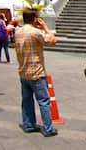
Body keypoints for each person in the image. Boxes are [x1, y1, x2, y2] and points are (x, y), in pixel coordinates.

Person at [14, 8, 57, 137]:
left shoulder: (18, 32)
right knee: (44, 101)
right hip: (37, 72)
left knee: (27, 101)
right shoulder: (35, 32)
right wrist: (45, 27)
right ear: (35, 19)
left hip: (23, 72)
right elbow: (53, 40)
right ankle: (48, 128)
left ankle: (28, 124)